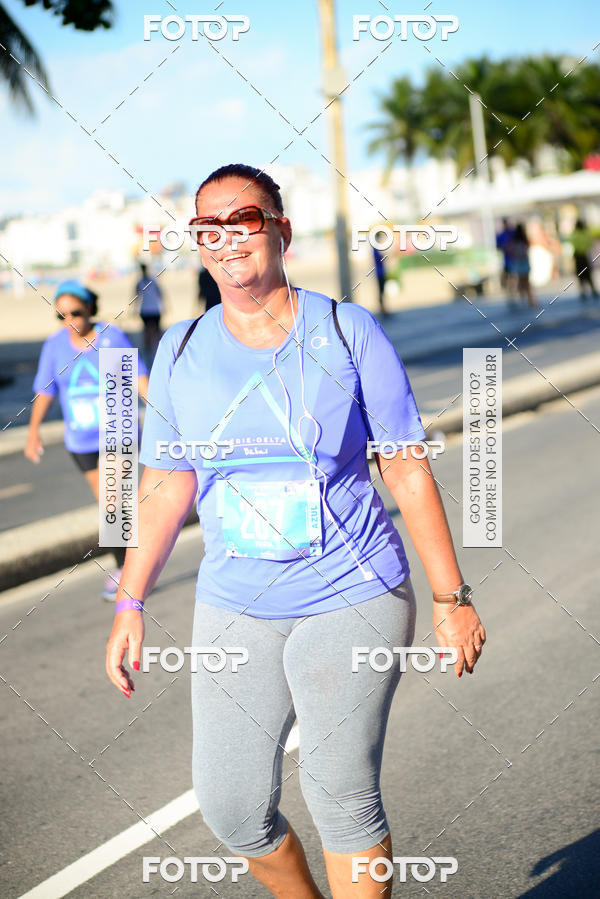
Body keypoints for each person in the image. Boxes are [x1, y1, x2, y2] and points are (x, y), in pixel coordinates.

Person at [105, 164, 486, 898]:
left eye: (243, 217)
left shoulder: (347, 330)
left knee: (339, 787)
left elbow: (405, 469)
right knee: (233, 807)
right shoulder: (180, 351)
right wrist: (128, 602)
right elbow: (162, 488)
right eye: (206, 227)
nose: (225, 237)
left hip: (352, 588)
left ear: (280, 227)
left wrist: (451, 595)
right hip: (236, 599)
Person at [25, 279, 149, 600]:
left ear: (90, 309)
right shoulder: (54, 346)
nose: (69, 321)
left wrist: (163, 414)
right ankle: (129, 567)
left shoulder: (110, 338)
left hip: (116, 432)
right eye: (61, 315)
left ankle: (125, 574)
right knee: (111, 506)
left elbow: (137, 377)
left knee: (113, 502)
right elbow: (45, 390)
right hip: (79, 441)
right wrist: (33, 431)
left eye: (76, 313)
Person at [135, 262, 164, 360]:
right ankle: (158, 348)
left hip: (146, 309)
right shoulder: (153, 280)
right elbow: (160, 294)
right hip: (154, 309)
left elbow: (136, 297)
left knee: (148, 331)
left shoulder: (140, 282)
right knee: (155, 331)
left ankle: (149, 350)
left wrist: (134, 309)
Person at [567, 219, 600, 301]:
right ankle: (593, 291)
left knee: (580, 276)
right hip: (585, 256)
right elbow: (590, 243)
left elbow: (571, 243)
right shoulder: (586, 234)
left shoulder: (574, 235)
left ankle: (582, 293)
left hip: (577, 257)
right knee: (589, 275)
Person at [508, 222, 537, 308]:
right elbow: (527, 248)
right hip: (524, 261)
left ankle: (522, 298)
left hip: (518, 262)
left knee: (521, 281)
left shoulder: (514, 240)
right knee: (526, 282)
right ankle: (530, 300)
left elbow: (510, 249)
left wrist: (515, 255)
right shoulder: (525, 240)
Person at [496, 217, 515, 298]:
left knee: (514, 278)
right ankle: (510, 293)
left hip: (514, 259)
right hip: (507, 260)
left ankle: (513, 293)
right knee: (508, 278)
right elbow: (498, 246)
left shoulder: (512, 233)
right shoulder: (503, 234)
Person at [372, 246, 387, 315]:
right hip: (380, 273)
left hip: (380, 272)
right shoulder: (375, 251)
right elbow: (381, 259)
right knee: (381, 292)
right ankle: (382, 308)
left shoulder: (376, 250)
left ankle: (383, 308)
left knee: (382, 292)